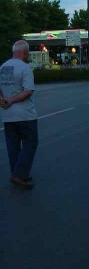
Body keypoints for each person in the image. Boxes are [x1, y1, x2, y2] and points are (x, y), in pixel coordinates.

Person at [0, 40, 38, 190]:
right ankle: (19, 174)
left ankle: (18, 173)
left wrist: (3, 100)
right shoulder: (25, 67)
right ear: (25, 53)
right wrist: (10, 100)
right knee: (31, 143)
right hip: (25, 115)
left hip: (8, 115)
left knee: (13, 146)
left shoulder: (2, 67)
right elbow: (28, 91)